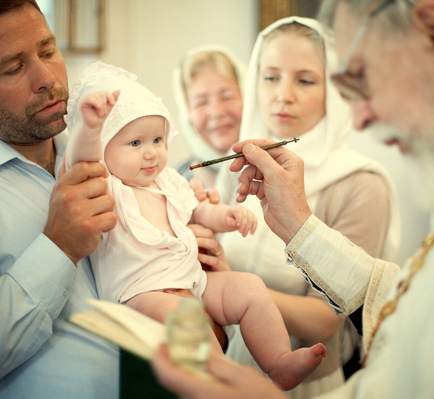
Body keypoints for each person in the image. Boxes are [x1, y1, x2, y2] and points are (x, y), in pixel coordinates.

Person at [152, 0, 434, 397]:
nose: (358, 119)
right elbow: (421, 309)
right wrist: (297, 228)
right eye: (270, 77)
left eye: (359, 78)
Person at [64, 61, 327, 391]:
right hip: (143, 294)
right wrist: (90, 129)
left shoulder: (170, 181)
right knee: (192, 325)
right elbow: (81, 163)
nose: (151, 154)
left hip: (193, 282)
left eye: (158, 140)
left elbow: (200, 211)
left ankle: (278, 361)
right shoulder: (109, 187)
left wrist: (228, 216)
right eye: (135, 143)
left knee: (250, 288)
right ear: (104, 149)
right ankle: (217, 386)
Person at [0, 1, 121, 398]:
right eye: (14, 67)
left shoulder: (117, 154)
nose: (46, 78)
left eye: (48, 51)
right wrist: (57, 248)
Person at [214, 16, 400, 398]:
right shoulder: (232, 169)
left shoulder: (361, 183)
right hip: (225, 374)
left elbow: (325, 320)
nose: (284, 94)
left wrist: (227, 288)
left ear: (334, 91)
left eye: (305, 80)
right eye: (270, 77)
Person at [174, 46, 245, 189]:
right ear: (187, 113)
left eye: (227, 97)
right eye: (201, 102)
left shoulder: (277, 169)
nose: (216, 112)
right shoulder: (173, 187)